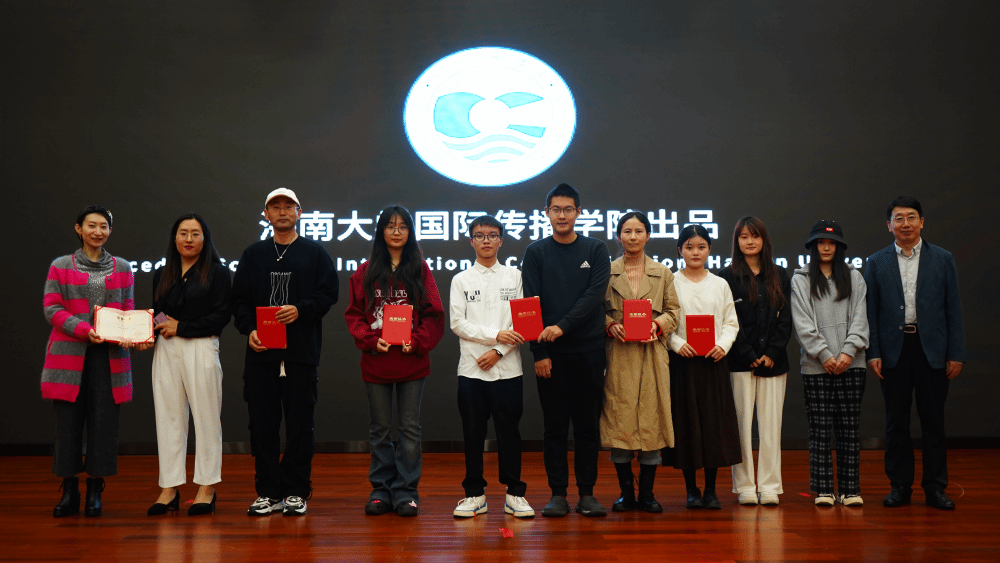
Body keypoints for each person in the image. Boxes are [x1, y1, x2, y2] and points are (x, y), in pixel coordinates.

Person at [232, 188, 339, 516]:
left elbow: (329, 293)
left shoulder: (314, 253)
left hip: (300, 354)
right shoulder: (253, 255)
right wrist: (249, 330)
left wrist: (301, 309)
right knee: (262, 426)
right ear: (266, 214)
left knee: (300, 425)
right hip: (261, 354)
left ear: (299, 212)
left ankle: (296, 490)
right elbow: (240, 301)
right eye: (275, 207)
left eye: (288, 206)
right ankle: (267, 491)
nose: (282, 212)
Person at [865, 195, 965, 510]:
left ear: (921, 222)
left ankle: (935, 488)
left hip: (931, 349)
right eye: (899, 218)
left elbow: (953, 308)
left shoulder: (943, 258)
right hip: (894, 350)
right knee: (896, 423)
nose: (905, 224)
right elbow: (871, 312)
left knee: (933, 422)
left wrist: (956, 352)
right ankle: (899, 487)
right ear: (889, 225)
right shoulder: (876, 262)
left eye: (911, 217)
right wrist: (873, 352)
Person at [345, 205, 444, 517]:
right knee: (380, 430)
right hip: (377, 362)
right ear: (381, 232)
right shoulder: (364, 272)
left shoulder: (420, 269)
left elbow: (434, 315)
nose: (397, 232)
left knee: (410, 429)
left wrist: (418, 341)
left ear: (410, 232)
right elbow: (354, 316)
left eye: (403, 226)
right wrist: (371, 340)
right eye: (390, 226)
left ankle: (405, 492)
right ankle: (380, 491)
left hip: (412, 363)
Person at [521, 183, 611, 518]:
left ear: (578, 212)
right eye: (556, 209)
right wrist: (539, 352)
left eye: (568, 209)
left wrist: (562, 326)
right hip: (551, 357)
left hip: (590, 352)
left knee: (587, 427)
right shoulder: (536, 252)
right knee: (555, 428)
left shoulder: (595, 249)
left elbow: (594, 296)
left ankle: (587, 494)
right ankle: (557, 494)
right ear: (546, 213)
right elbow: (530, 304)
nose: (562, 215)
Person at [43, 205, 136, 517]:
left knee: (104, 425)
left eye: (103, 226)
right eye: (91, 225)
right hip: (69, 355)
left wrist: (131, 333)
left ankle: (96, 489)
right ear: (78, 229)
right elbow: (52, 308)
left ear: (110, 231)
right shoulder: (61, 266)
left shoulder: (122, 267)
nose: (98, 231)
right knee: (67, 425)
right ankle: (69, 489)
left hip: (110, 358)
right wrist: (84, 330)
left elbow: (128, 309)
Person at [146, 213, 232, 516]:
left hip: (201, 346)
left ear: (205, 239)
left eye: (196, 233)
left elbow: (221, 316)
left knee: (207, 419)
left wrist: (181, 327)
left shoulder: (218, 273)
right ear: (174, 238)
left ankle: (207, 487)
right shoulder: (162, 273)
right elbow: (157, 311)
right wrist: (155, 328)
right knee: (168, 418)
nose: (189, 239)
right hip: (166, 348)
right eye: (183, 233)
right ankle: (169, 488)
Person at [449, 215, 533, 519]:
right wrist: (494, 335)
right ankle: (474, 495)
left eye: (492, 235)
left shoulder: (515, 277)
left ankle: (515, 494)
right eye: (480, 235)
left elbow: (523, 323)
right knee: (472, 434)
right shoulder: (461, 279)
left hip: (508, 369)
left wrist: (498, 350)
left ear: (501, 241)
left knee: (509, 433)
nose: (486, 240)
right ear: (471, 241)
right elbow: (458, 323)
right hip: (471, 369)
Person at [601, 212, 680, 513]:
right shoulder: (606, 272)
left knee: (651, 420)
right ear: (618, 236)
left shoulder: (663, 273)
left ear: (648, 235)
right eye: (627, 231)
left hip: (651, 354)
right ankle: (626, 494)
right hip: (618, 354)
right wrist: (610, 324)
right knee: (619, 421)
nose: (633, 237)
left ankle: (647, 494)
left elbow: (674, 312)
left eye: (639, 231)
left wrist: (658, 325)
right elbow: (594, 310)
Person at [791, 220, 869, 506]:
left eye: (831, 243)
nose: (826, 247)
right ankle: (824, 490)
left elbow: (861, 317)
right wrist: (824, 354)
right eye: (821, 242)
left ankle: (850, 489)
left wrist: (848, 352)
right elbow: (802, 323)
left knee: (849, 429)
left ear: (839, 247)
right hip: (816, 366)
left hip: (852, 364)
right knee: (820, 430)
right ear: (813, 247)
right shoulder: (801, 279)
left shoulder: (855, 277)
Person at [666, 224, 741, 509]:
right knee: (687, 425)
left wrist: (722, 345)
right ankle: (691, 490)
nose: (695, 252)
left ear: (709, 249)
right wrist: (676, 343)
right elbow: (664, 321)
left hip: (713, 362)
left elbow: (731, 322)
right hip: (683, 363)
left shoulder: (720, 284)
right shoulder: (671, 282)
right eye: (689, 247)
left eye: (701, 247)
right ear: (680, 250)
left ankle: (710, 490)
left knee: (712, 426)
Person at [718, 217, 792, 506]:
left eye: (755, 236)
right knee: (741, 427)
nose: (750, 242)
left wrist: (771, 352)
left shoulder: (779, 274)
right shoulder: (726, 277)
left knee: (771, 428)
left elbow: (786, 318)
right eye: (744, 237)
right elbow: (728, 321)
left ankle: (770, 486)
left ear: (764, 240)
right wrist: (749, 354)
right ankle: (745, 486)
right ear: (736, 242)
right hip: (739, 362)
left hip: (774, 363)